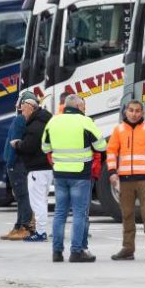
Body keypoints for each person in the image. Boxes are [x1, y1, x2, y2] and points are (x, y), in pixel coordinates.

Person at [41, 94, 107, 263]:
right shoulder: (85, 122)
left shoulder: (53, 121)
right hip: (80, 175)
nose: (85, 109)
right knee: (79, 213)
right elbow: (101, 145)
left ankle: (57, 252)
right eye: (83, 106)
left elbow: (45, 147)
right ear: (78, 106)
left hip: (60, 174)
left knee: (60, 213)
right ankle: (76, 251)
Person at [108, 100, 145, 261]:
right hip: (125, 179)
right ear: (126, 112)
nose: (134, 114)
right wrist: (112, 172)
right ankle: (128, 249)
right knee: (127, 215)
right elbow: (111, 152)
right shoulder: (118, 130)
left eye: (137, 111)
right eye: (131, 110)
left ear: (142, 113)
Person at [12, 95, 53, 242]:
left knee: (38, 202)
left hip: (37, 168)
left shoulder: (35, 126)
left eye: (23, 108)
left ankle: (41, 232)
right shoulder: (44, 121)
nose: (22, 111)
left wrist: (17, 144)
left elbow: (29, 146)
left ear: (30, 108)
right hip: (47, 168)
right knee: (42, 200)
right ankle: (41, 231)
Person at [0, 93, 35, 240]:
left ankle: (24, 226)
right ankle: (18, 225)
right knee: (22, 196)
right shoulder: (27, 120)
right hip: (22, 163)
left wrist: (10, 162)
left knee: (22, 196)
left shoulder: (19, 120)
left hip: (16, 164)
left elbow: (14, 142)